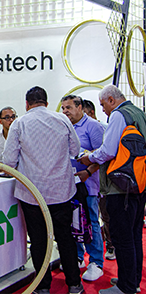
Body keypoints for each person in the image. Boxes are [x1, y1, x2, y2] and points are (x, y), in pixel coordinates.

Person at [3, 86, 83, 294]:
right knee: (65, 237)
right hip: (61, 191)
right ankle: (74, 284)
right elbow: (75, 150)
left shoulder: (19, 123)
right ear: (47, 103)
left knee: (38, 241)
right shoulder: (62, 119)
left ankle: (43, 286)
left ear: (27, 104)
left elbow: (9, 160)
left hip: (32, 194)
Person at [78, 85, 146, 294]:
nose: (103, 110)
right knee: (134, 235)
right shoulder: (139, 113)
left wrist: (89, 158)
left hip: (120, 186)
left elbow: (108, 151)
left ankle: (125, 287)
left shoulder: (119, 115)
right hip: (138, 184)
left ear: (111, 99)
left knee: (122, 238)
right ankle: (131, 280)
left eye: (102, 105)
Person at [61, 95, 105, 281]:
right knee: (73, 221)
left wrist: (88, 171)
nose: (65, 111)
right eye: (63, 108)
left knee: (91, 221)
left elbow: (103, 155)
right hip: (68, 184)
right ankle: (77, 256)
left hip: (89, 184)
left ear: (80, 107)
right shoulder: (64, 126)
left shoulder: (93, 127)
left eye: (69, 107)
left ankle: (96, 262)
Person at [83, 98, 115, 261]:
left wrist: (90, 162)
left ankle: (111, 245)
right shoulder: (75, 129)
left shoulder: (103, 128)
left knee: (105, 216)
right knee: (90, 217)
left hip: (104, 180)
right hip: (88, 182)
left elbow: (105, 154)